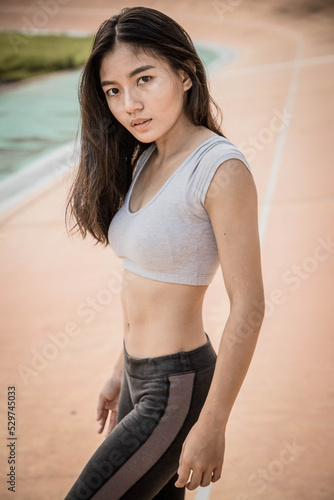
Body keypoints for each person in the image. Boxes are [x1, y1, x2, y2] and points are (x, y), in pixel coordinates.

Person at [64, 6, 264, 500]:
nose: (129, 104)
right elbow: (144, 282)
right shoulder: (145, 156)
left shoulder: (219, 169)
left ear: (186, 72)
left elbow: (249, 307)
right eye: (113, 90)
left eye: (144, 79)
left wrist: (213, 423)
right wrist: (119, 366)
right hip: (137, 375)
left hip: (176, 387)